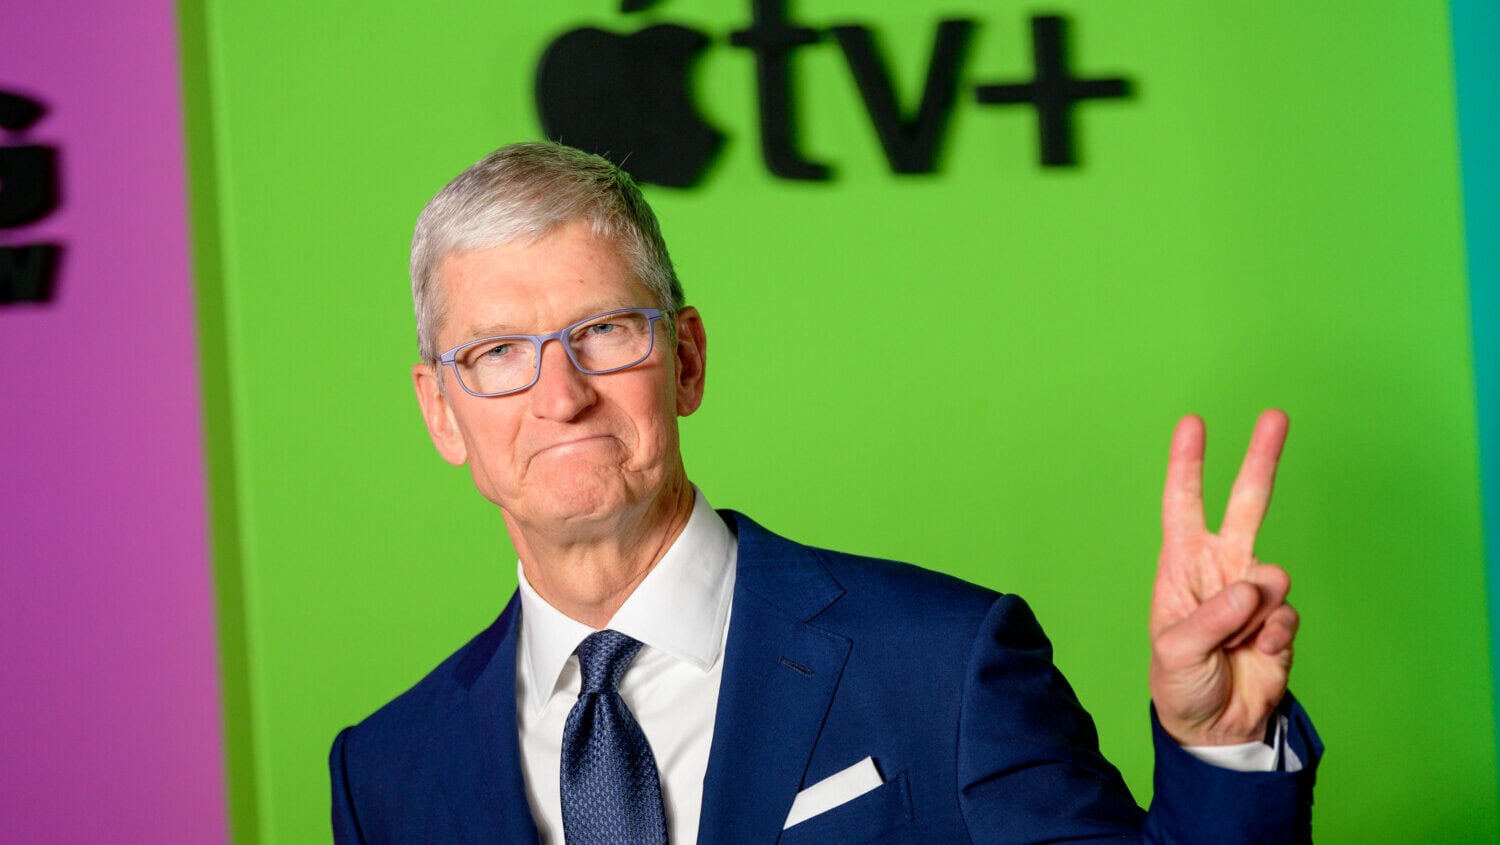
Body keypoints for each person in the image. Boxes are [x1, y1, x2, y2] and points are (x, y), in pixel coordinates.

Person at [329, 141, 1320, 844]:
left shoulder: (945, 664)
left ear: (685, 360)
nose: (562, 394)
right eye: (499, 352)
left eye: (604, 331)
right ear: (442, 410)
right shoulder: (387, 771)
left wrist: (1220, 746)